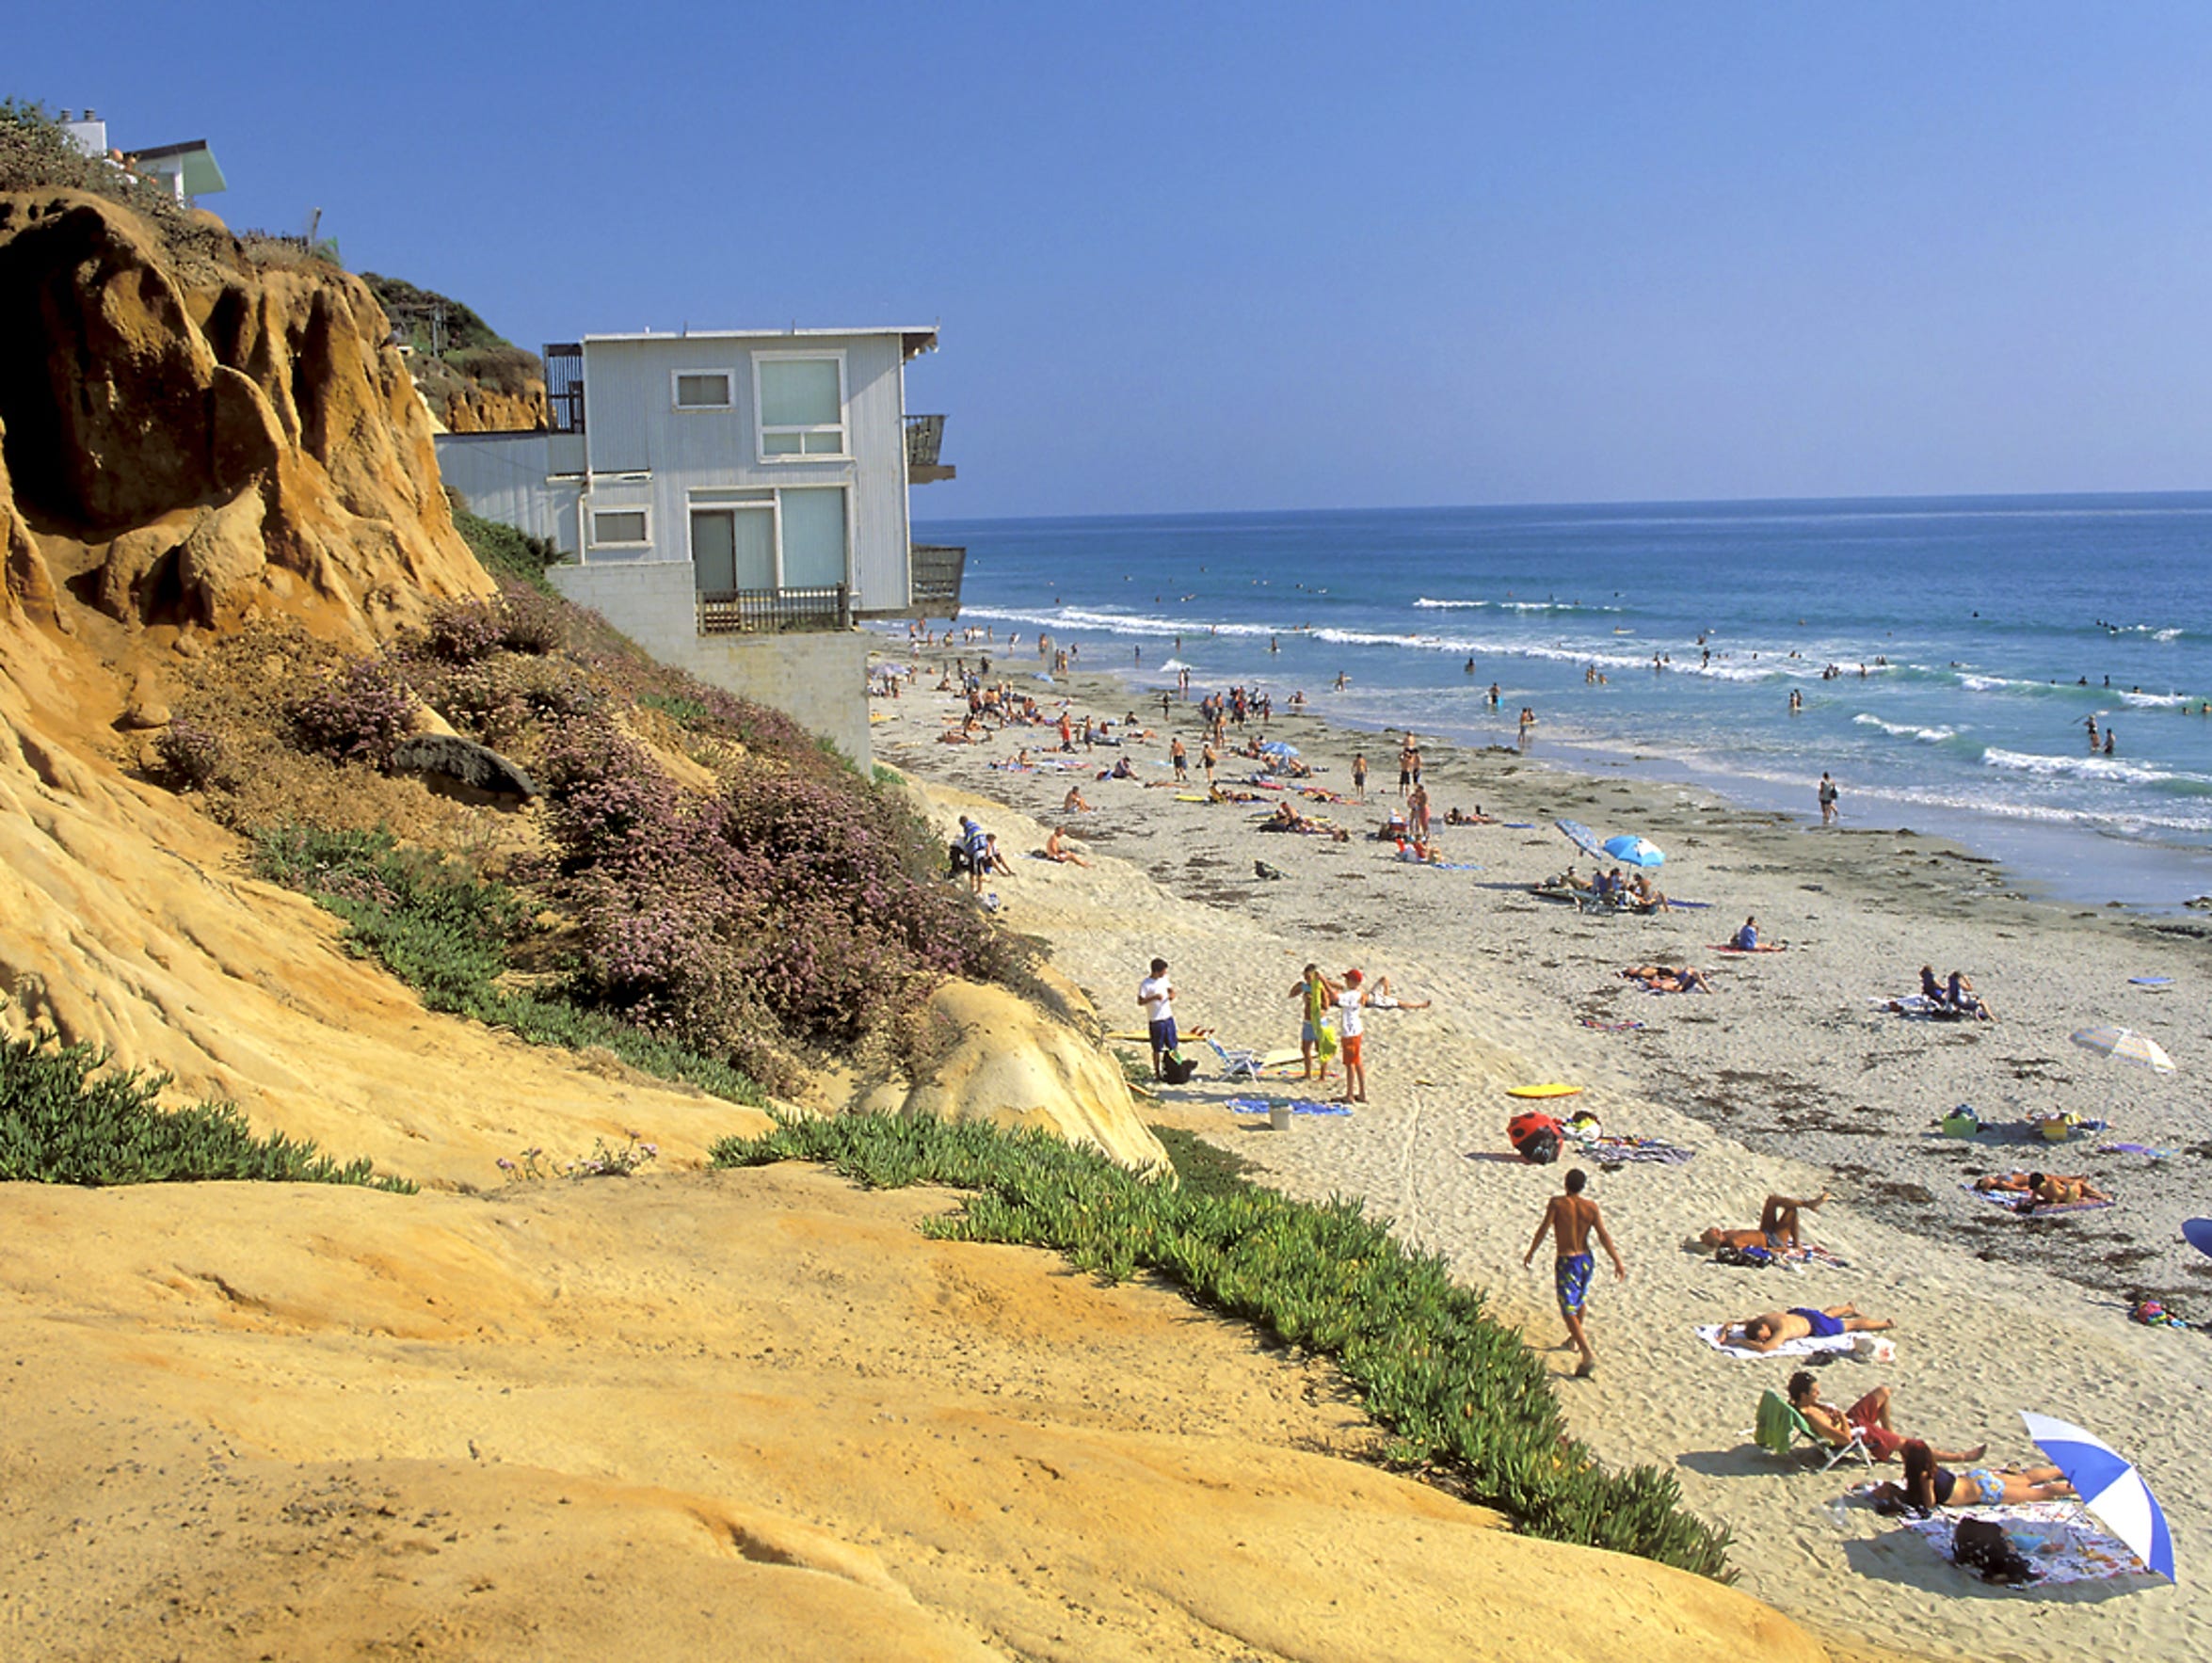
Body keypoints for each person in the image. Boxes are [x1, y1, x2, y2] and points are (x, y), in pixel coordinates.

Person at [1523, 1168, 1626, 1379]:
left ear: (1565, 1183)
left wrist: (1531, 1251)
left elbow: (1544, 1229)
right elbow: (1603, 1235)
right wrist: (1617, 1261)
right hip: (1586, 1260)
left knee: (1567, 1308)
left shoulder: (1557, 1203)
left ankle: (1587, 1352)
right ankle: (1572, 1340)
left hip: (1567, 1260)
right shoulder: (1591, 1207)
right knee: (1580, 1299)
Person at [1787, 1374, 1985, 1465]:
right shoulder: (1812, 1416)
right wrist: (1841, 1418)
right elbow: (1845, 1440)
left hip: (1851, 1420)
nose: (1819, 1393)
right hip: (1858, 1431)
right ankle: (1960, 1457)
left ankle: (1889, 1437)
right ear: (1804, 1395)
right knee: (1910, 1444)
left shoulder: (1801, 1405)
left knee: (1883, 1392)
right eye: (1815, 1392)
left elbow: (1821, 1411)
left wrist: (1829, 1409)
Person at [1875, 1441, 2075, 1512]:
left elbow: (1930, 1504)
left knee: (2041, 1493)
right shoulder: (1931, 1465)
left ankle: (2078, 1485)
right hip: (1977, 1477)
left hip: (1984, 1491)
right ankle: (2062, 1470)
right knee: (2026, 1478)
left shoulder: (1924, 1476)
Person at [1719, 1304, 1894, 1354]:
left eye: (1764, 1336)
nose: (1765, 1339)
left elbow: (1766, 1349)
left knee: (1851, 1325)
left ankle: (1884, 1324)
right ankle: (1847, 1308)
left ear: (1764, 1328)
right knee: (1826, 1314)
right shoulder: (1764, 1319)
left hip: (1814, 1326)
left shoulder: (1782, 1329)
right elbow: (1732, 1323)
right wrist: (1725, 1331)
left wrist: (1740, 1341)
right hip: (1801, 1313)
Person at [1699, 1191, 1833, 1254]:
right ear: (1717, 1240)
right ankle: (1797, 1242)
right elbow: (1760, 1250)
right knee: (1791, 1210)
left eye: (1713, 1229)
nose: (1717, 1229)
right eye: (1715, 1233)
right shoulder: (1733, 1243)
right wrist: (1783, 1249)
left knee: (1772, 1200)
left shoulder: (1726, 1234)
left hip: (1764, 1231)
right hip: (1774, 1240)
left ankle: (1807, 1204)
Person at [1290, 963, 1338, 1082]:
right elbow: (1291, 995)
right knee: (1305, 1049)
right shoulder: (1305, 987)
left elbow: (1326, 1006)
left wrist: (1316, 1002)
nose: (1307, 980)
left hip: (1319, 1022)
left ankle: (1322, 1076)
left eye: (1308, 977)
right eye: (1305, 977)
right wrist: (1299, 987)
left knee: (1320, 1049)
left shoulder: (1320, 988)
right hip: (1307, 1022)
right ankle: (1307, 1074)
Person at [1973, 1171, 2111, 1208]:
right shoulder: (2002, 1183)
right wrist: (2029, 1187)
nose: (1987, 1178)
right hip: (2035, 1182)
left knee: (2053, 1178)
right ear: (1989, 1184)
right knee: (2054, 1179)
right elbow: (2020, 1188)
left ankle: (2074, 1179)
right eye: (1985, 1181)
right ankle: (2077, 1180)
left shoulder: (1999, 1178)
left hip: (2035, 1182)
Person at [1137, 958, 1178, 1080]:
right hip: (1156, 1020)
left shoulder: (1164, 980)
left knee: (1173, 1045)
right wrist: (1153, 998)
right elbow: (1140, 1001)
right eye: (1163, 971)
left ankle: (1175, 1069)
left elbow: (1171, 990)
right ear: (1156, 971)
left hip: (1168, 1017)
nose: (1165, 973)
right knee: (1157, 1048)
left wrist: (1171, 996)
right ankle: (1157, 1073)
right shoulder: (1146, 984)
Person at [1336, 968, 1370, 1105]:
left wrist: (1323, 983)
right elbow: (1340, 988)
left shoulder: (1351, 995)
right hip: (1356, 1030)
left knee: (1350, 1064)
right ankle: (1362, 1093)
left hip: (1350, 1032)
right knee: (1357, 1062)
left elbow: (1335, 998)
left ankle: (1349, 1094)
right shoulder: (1358, 993)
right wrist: (1326, 982)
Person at [1364, 975, 1430, 1010]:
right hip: (1375, 1000)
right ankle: (1420, 1005)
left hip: (1372, 993)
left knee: (1384, 979)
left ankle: (1387, 995)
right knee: (1399, 1003)